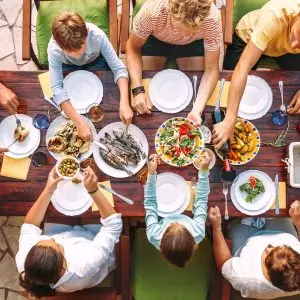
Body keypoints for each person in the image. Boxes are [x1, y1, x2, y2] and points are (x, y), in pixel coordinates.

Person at [15, 167, 122, 298]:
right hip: (93, 239)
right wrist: (94, 191)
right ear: (63, 266)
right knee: (98, 207)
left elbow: (29, 226)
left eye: (47, 240)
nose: (53, 239)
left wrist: (49, 189)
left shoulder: (24, 262)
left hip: (61, 231)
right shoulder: (86, 264)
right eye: (57, 245)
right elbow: (113, 225)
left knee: (62, 205)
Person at [213, 0, 300, 149]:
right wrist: (229, 119)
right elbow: (243, 67)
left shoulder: (294, 44)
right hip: (248, 38)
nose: (294, 45)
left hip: (283, 51)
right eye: (298, 34)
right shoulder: (275, 16)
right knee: (226, 85)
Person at [126, 0, 222, 123]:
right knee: (147, 94)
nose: (185, 34)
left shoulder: (212, 18)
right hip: (155, 37)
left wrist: (197, 111)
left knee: (195, 91)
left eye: (192, 29)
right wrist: (137, 89)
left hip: (192, 43)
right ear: (170, 11)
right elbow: (133, 47)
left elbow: (212, 69)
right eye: (183, 27)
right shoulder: (152, 11)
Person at [48, 11, 132, 141]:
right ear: (58, 44)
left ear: (86, 34)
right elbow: (57, 88)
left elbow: (119, 69)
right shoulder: (54, 49)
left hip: (96, 63)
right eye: (69, 51)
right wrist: (79, 123)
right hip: (68, 68)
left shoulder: (97, 36)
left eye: (80, 47)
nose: (76, 55)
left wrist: (125, 103)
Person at [208, 201, 300, 299]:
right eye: (283, 247)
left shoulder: (244, 277)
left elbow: (223, 262)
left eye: (267, 257)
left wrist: (216, 228)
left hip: (246, 240)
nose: (269, 247)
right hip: (282, 231)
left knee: (234, 218)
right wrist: (297, 221)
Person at [144, 152, 210, 267]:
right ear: (194, 244)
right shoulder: (199, 232)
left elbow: (150, 203)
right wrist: (204, 171)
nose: (175, 221)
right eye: (181, 225)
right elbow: (201, 201)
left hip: (162, 208)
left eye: (170, 226)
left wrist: (151, 173)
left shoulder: (154, 235)